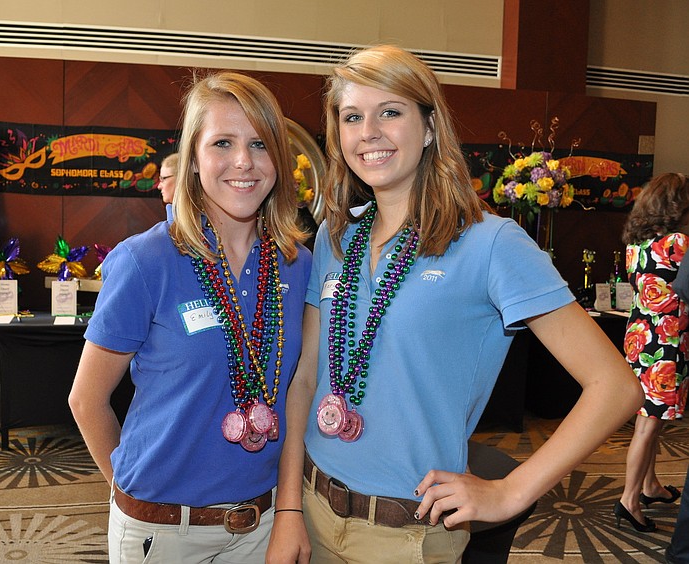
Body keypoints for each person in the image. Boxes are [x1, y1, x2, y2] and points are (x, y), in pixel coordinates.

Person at [265, 44, 642, 564]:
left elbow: (616, 387)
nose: (368, 131)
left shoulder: (492, 243)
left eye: (390, 112)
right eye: (352, 117)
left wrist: (511, 490)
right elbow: (307, 376)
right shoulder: (335, 237)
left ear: (429, 126)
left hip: (408, 535)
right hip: (311, 508)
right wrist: (288, 508)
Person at [70, 71, 311, 563]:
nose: (243, 162)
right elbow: (86, 399)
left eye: (260, 144)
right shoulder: (146, 261)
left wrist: (288, 511)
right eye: (222, 142)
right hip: (162, 533)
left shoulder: (299, 265)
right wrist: (135, 499)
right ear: (194, 160)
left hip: (260, 525)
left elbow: (297, 396)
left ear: (279, 162)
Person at [615, 172, 689, 533]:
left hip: (640, 338)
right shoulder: (680, 242)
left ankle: (649, 485)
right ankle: (629, 500)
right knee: (647, 426)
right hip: (666, 344)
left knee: (649, 420)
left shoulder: (635, 246)